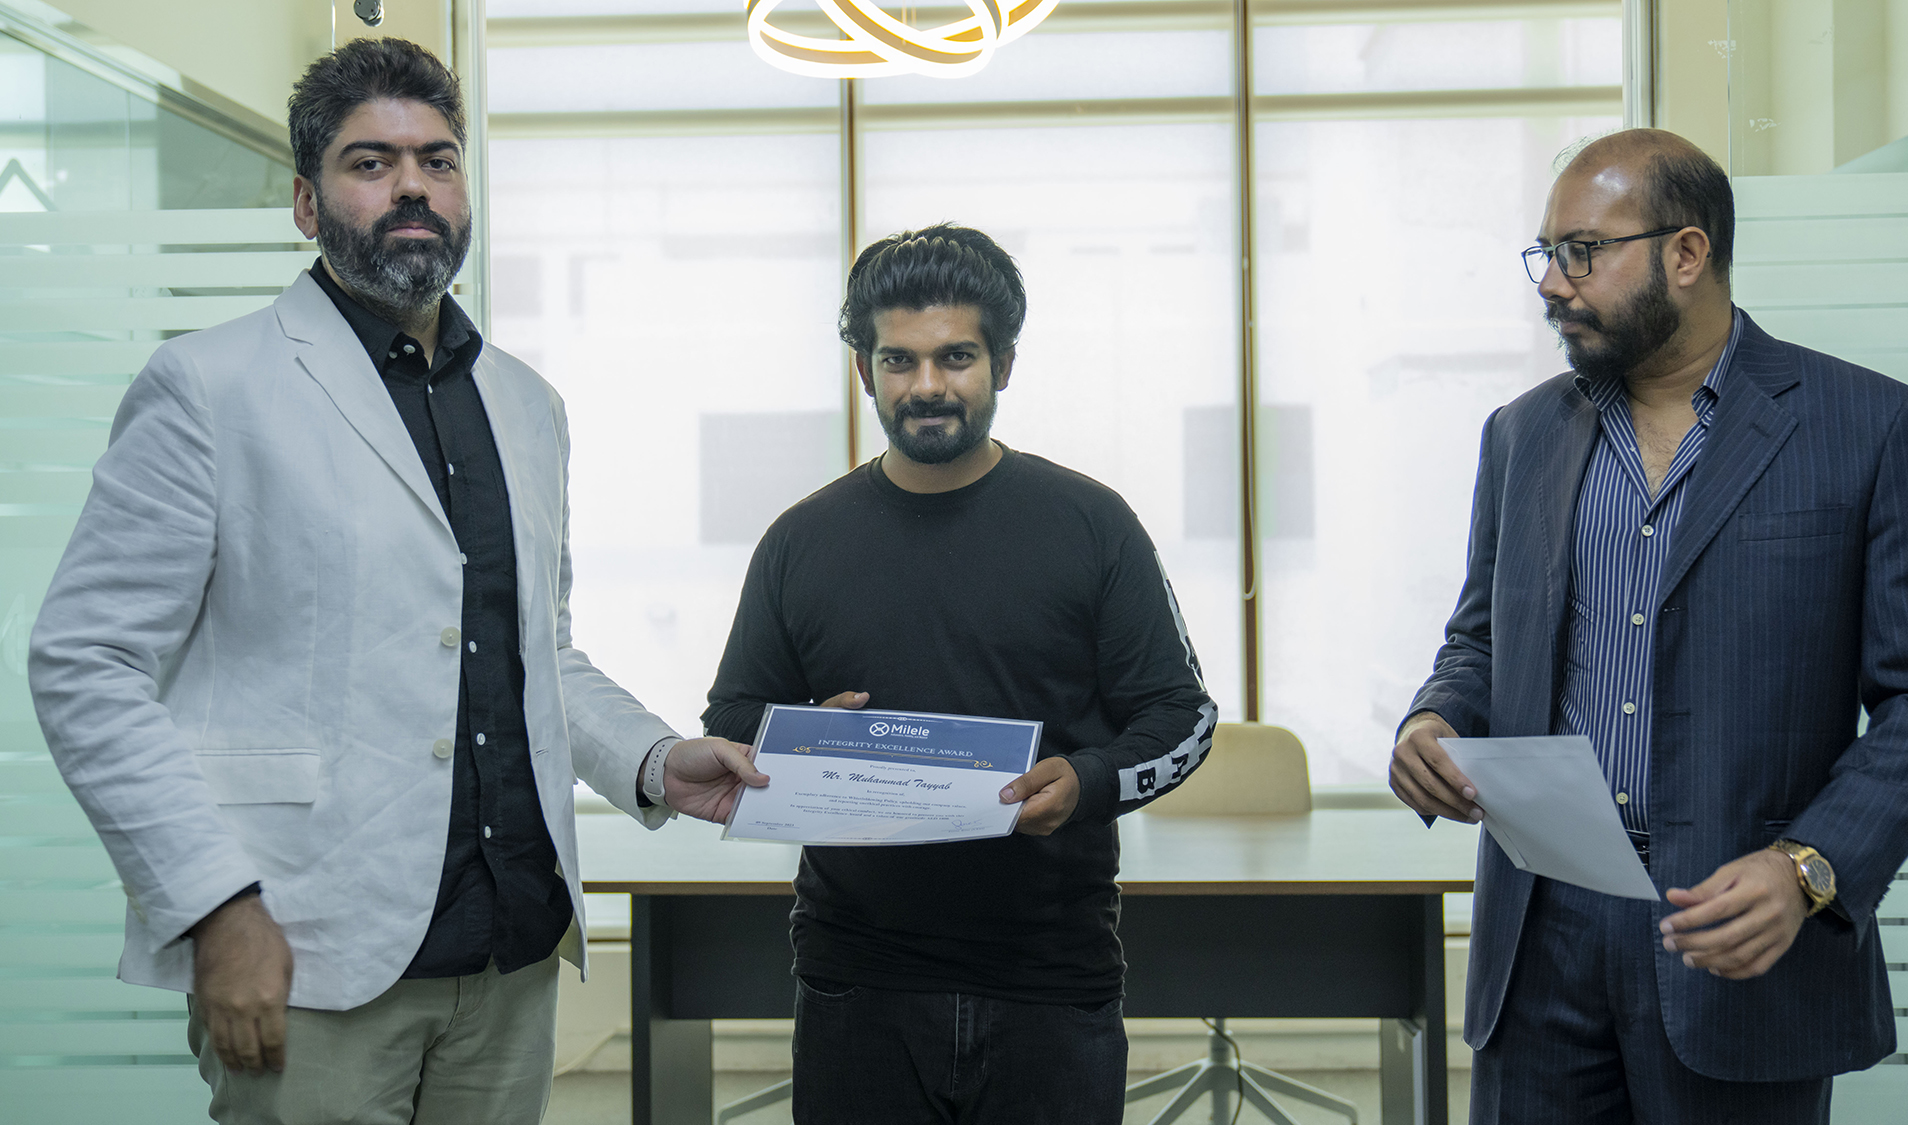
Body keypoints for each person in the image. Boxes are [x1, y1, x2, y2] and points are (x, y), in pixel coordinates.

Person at [28, 38, 765, 1125]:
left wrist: (653, 760)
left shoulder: (526, 405)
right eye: (370, 162)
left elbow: (536, 653)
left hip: (511, 949)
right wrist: (215, 907)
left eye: (438, 160)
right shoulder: (207, 386)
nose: (412, 185)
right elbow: (85, 664)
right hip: (304, 949)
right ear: (305, 202)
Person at [1389, 127, 1908, 1122]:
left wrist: (1807, 867)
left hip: (1736, 938)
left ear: (1686, 253)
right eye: (1546, 254)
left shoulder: (1870, 428)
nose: (1552, 283)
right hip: (1540, 941)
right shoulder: (1522, 435)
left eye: (1582, 251)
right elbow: (1481, 640)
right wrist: (1434, 720)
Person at [702, 223, 1217, 1124]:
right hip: (857, 978)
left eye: (957, 357)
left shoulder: (1092, 524)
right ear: (865, 372)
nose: (927, 385)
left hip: (1051, 975)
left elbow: (1184, 716)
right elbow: (732, 717)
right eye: (898, 360)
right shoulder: (800, 540)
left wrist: (1090, 779)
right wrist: (810, 737)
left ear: (1003, 364)